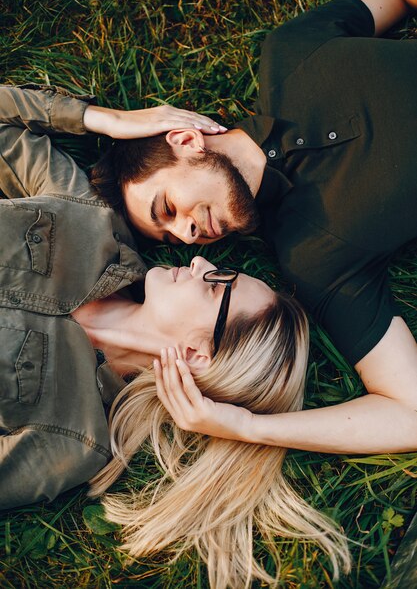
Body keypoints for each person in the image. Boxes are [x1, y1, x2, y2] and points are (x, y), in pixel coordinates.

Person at [0, 86, 348, 587]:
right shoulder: (90, 219)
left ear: (196, 355)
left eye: (218, 285)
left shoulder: (75, 441)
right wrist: (106, 120)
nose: (202, 260)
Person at [90, 0, 417, 455]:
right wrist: (246, 427)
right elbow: (410, 414)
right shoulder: (315, 259)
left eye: (167, 208)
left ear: (185, 140)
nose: (187, 234)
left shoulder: (289, 55)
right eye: (172, 239)